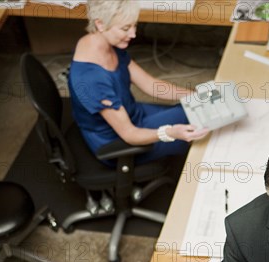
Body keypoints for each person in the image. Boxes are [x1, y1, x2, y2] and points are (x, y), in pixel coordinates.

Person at [68, 0, 209, 165]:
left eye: (134, 26)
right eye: (126, 28)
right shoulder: (90, 80)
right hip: (116, 142)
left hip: (132, 113)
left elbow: (150, 85)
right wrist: (169, 133)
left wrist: (197, 95)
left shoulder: (105, 42)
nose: (133, 34)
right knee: (196, 124)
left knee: (195, 109)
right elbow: (129, 134)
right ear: (100, 24)